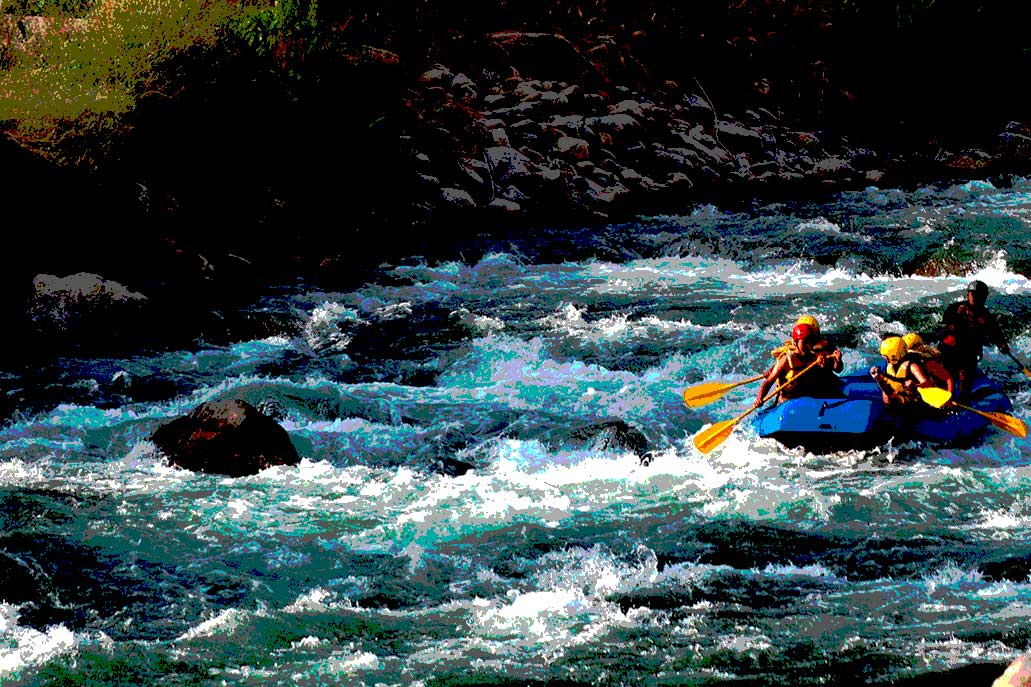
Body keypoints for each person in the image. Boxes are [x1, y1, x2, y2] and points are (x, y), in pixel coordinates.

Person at [938, 280, 1010, 399]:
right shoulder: (956, 308)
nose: (974, 297)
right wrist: (957, 315)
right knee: (944, 374)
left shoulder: (986, 316)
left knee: (965, 377)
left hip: (968, 352)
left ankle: (963, 401)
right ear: (968, 295)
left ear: (984, 298)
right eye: (972, 294)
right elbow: (945, 322)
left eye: (977, 295)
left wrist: (1002, 344)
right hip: (950, 350)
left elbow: (996, 332)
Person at [754, 319, 843, 407]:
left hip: (805, 398)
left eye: (810, 341)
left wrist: (835, 362)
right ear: (796, 343)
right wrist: (760, 398)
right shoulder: (786, 359)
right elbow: (768, 382)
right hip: (786, 402)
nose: (808, 346)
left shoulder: (815, 357)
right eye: (804, 342)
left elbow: (834, 369)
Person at [870, 335, 933, 406]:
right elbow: (891, 387)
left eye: (887, 357)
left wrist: (916, 385)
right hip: (899, 398)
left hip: (914, 401)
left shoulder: (912, 366)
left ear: (895, 355)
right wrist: (878, 379)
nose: (886, 360)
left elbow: (927, 383)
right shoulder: (890, 366)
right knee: (886, 395)